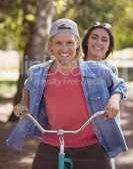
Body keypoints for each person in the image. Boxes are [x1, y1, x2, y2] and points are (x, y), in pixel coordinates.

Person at [7, 18, 127, 169]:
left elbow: (119, 85)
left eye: (69, 42)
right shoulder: (38, 72)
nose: (64, 48)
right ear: (50, 47)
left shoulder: (97, 70)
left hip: (92, 145)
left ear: (77, 44)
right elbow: (27, 85)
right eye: (58, 43)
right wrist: (23, 102)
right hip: (52, 143)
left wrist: (114, 100)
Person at [82, 22, 119, 169]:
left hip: (100, 138)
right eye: (95, 37)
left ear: (109, 46)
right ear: (86, 42)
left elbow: (118, 89)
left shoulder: (110, 69)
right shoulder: (73, 66)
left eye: (104, 40)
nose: (99, 42)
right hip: (73, 135)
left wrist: (115, 99)